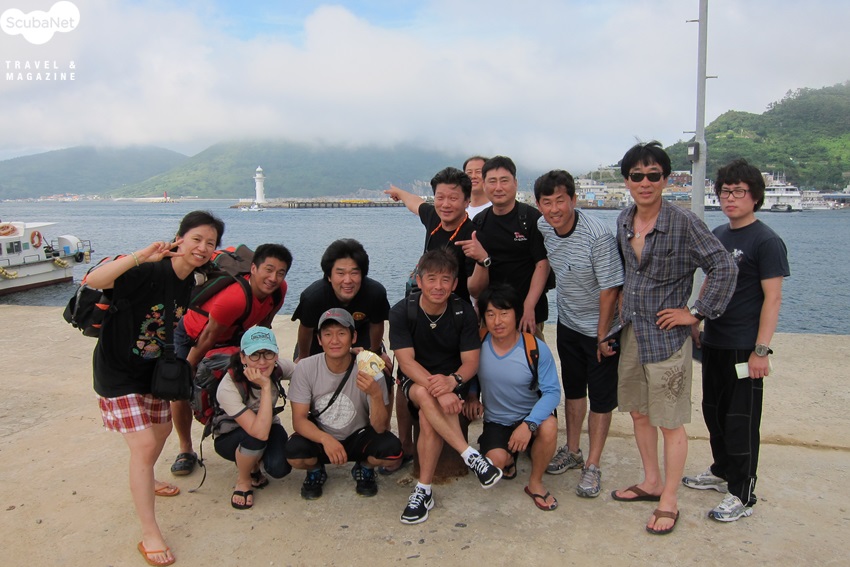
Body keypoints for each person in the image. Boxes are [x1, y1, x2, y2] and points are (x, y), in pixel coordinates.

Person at [611, 142, 737, 536]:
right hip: (632, 331)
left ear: (665, 179)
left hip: (666, 338)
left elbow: (723, 266)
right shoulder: (624, 219)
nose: (645, 182)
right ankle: (651, 481)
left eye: (653, 175)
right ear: (627, 181)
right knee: (638, 412)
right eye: (637, 175)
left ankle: (669, 497)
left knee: (669, 422)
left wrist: (696, 312)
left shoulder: (684, 222)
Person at [88, 210, 224, 567]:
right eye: (196, 239)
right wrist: (141, 255)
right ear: (180, 238)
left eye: (210, 243)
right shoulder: (147, 270)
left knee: (161, 431)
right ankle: (150, 533)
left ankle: (145, 478)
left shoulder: (191, 281)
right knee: (145, 444)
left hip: (152, 372)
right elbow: (93, 279)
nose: (202, 247)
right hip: (117, 373)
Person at [682, 159, 790, 522]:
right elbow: (711, 281)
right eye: (725, 191)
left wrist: (761, 350)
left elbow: (773, 299)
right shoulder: (719, 234)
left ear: (755, 196)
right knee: (713, 411)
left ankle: (743, 493)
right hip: (714, 340)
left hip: (745, 345)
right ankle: (722, 471)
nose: (730, 198)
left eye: (739, 192)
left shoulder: (767, 241)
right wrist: (697, 317)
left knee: (741, 420)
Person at [389, 250, 502, 525]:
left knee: (428, 418)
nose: (438, 286)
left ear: (454, 284)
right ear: (419, 281)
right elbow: (406, 362)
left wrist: (452, 382)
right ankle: (470, 455)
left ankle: (423, 491)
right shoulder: (402, 311)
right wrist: (440, 390)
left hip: (453, 380)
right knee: (422, 392)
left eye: (445, 279)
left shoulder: (463, 312)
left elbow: (471, 362)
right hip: (417, 380)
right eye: (431, 279)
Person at [534, 170, 624, 498]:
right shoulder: (544, 226)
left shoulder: (597, 236)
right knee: (573, 390)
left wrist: (602, 335)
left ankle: (593, 465)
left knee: (600, 397)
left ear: (573, 199)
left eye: (560, 200)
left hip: (602, 329)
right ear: (539, 205)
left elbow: (610, 289)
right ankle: (572, 451)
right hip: (569, 323)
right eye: (547, 202)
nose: (554, 209)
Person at [170, 243, 292, 477]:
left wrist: (262, 354)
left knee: (245, 378)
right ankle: (186, 449)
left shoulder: (279, 290)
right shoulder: (234, 298)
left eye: (280, 273)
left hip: (233, 334)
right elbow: (207, 338)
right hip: (194, 335)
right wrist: (187, 368)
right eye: (268, 270)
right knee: (181, 389)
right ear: (253, 268)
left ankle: (247, 435)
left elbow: (264, 325)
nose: (273, 278)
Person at [287, 308, 402, 499]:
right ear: (319, 339)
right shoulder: (305, 368)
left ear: (353, 337)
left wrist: (375, 394)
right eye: (327, 334)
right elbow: (299, 420)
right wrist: (325, 439)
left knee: (391, 451)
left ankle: (365, 467)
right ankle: (315, 470)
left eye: (341, 333)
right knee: (294, 453)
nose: (334, 340)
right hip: (322, 436)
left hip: (359, 435)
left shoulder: (369, 369)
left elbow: (380, 427)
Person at [476, 284, 561, 511]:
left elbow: (552, 392)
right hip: (496, 420)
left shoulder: (534, 348)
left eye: (504, 313)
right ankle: (509, 458)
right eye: (490, 314)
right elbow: (470, 373)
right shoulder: (479, 343)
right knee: (495, 462)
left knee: (549, 426)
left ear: (517, 314)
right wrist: (473, 396)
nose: (497, 321)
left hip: (530, 418)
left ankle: (535, 482)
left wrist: (529, 424)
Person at [456, 155, 550, 337]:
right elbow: (474, 287)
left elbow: (542, 264)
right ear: (484, 185)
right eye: (492, 181)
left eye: (504, 180)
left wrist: (529, 306)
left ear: (515, 183)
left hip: (527, 314)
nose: (498, 187)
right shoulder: (479, 223)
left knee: (532, 354)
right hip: (491, 314)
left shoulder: (531, 219)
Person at [214, 326, 294, 510]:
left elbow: (308, 373)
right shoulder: (228, 387)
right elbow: (259, 432)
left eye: (268, 354)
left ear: (276, 355)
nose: (262, 362)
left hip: (266, 427)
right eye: (254, 355)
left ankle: (255, 463)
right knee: (255, 439)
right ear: (243, 357)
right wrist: (265, 386)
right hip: (232, 436)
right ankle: (244, 480)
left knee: (280, 468)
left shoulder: (280, 368)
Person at [384, 166, 476, 303]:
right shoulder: (434, 217)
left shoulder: (472, 236)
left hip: (455, 308)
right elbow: (416, 203)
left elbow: (476, 289)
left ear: (467, 201)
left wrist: (482, 261)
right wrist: (400, 193)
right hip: (425, 304)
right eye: (440, 197)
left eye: (453, 198)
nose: (445, 204)